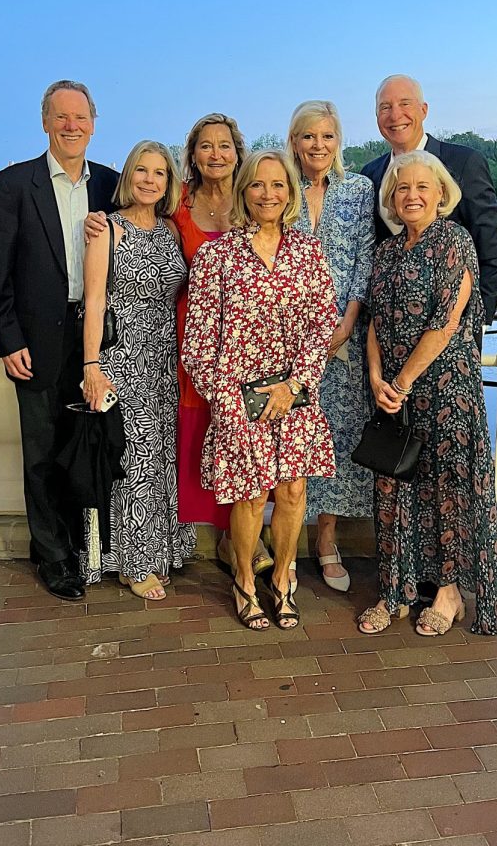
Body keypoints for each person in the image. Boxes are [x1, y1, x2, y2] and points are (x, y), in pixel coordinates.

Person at [84, 113, 273, 577]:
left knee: (239, 435)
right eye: (205, 146)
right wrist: (91, 362)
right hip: (181, 342)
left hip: (243, 342)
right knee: (172, 445)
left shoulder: (253, 199)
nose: (216, 154)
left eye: (224, 145)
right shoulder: (178, 209)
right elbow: (99, 291)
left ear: (237, 150)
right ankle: (147, 556)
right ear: (192, 155)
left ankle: (238, 536)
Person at [357, 150, 497, 637]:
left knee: (447, 489)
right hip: (395, 395)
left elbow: (445, 324)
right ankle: (395, 589)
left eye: (423, 187)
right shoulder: (385, 253)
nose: (412, 196)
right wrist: (378, 379)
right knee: (394, 486)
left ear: (441, 193)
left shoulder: (455, 242)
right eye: (402, 188)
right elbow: (375, 322)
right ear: (391, 199)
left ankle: (449, 593)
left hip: (446, 390)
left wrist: (400, 383)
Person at [182, 150, 337, 630]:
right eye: (257, 185)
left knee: (292, 492)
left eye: (277, 185)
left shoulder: (308, 254)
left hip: (295, 395)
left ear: (289, 191)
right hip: (238, 398)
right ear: (244, 191)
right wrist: (225, 400)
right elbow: (197, 342)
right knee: (249, 496)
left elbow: (322, 322)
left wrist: (294, 384)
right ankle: (245, 580)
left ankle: (285, 577)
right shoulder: (217, 256)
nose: (268, 194)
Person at [0, 80, 118, 601]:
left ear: (93, 122)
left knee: (86, 443)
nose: (71, 126)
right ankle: (53, 555)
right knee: (41, 449)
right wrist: (7, 338)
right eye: (61, 117)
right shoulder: (14, 184)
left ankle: (90, 545)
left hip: (98, 340)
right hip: (36, 340)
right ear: (45, 122)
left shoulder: (109, 183)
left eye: (80, 117)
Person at [81, 141, 195, 600]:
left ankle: (160, 549)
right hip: (123, 359)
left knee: (161, 457)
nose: (150, 179)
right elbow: (94, 302)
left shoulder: (170, 231)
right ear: (129, 176)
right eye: (142, 171)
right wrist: (91, 365)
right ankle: (133, 562)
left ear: (169, 183)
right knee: (134, 462)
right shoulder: (106, 229)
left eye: (160, 173)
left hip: (165, 360)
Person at [287, 100, 375, 591]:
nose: (317, 146)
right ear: (294, 141)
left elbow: (365, 257)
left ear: (337, 140)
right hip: (288, 341)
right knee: (287, 439)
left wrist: (347, 322)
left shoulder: (358, 189)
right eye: (308, 136)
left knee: (335, 440)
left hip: (345, 339)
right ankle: (283, 545)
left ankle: (325, 542)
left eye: (326, 136)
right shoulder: (279, 186)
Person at [362, 75, 497, 328]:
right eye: (385, 107)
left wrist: (473, 322)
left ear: (424, 110)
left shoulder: (464, 163)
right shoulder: (369, 175)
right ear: (377, 117)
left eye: (405, 104)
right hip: (389, 334)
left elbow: (491, 245)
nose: (395, 115)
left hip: (450, 335)